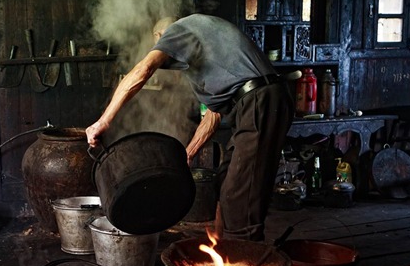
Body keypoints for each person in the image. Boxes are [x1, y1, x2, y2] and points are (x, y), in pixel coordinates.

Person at [85, 14, 294, 241]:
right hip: (255, 104)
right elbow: (213, 116)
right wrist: (188, 154)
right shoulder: (208, 46)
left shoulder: (179, 29)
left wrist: (103, 121)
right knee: (225, 180)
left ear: (159, 37)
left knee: (239, 195)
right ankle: (224, 251)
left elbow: (143, 69)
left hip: (260, 101)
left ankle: (244, 262)